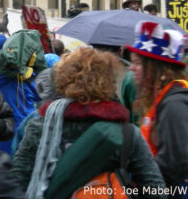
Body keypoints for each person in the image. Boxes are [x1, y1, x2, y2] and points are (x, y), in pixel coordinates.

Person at [11, 47, 166, 198]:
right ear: (109, 82)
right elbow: (156, 190)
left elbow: (18, 179)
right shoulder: (126, 133)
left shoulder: (40, 125)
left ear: (63, 80)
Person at [125, 21, 188, 195]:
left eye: (137, 64)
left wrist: (141, 185)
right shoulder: (166, 98)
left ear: (155, 68)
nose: (132, 68)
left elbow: (174, 162)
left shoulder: (174, 104)